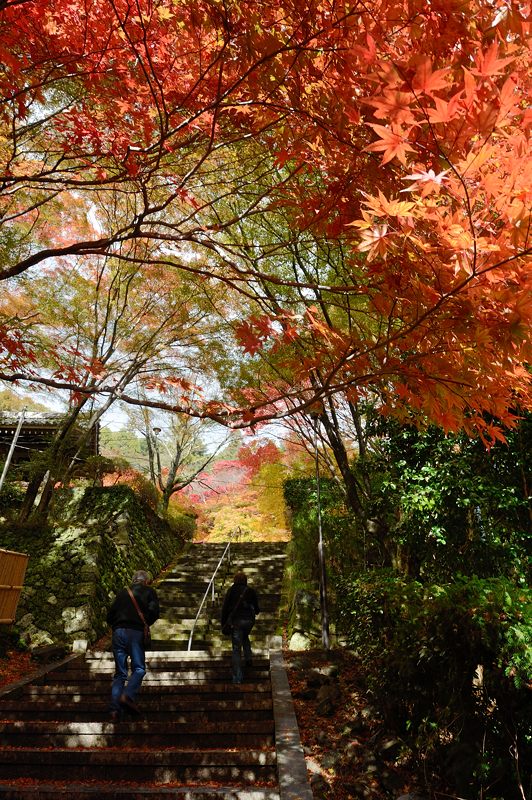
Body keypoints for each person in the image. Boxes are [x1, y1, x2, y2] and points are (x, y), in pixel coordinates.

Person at [107, 569, 160, 720]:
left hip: (118, 633)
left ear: (134, 580)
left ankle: (114, 711)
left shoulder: (122, 592)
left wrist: (117, 626)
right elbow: (154, 612)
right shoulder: (149, 592)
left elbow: (109, 615)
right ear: (146, 581)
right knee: (138, 669)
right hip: (135, 632)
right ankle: (127, 696)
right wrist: (145, 623)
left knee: (120, 674)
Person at [221, 570, 260, 684]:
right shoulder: (250, 591)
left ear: (235, 580)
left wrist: (223, 624)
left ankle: (237, 677)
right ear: (245, 580)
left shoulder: (231, 591)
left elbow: (224, 608)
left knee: (236, 649)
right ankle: (248, 658)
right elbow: (257, 610)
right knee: (245, 635)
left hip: (236, 622)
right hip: (249, 621)